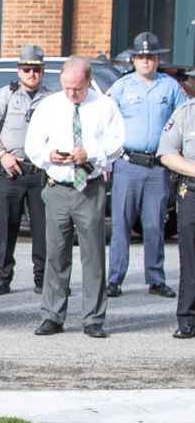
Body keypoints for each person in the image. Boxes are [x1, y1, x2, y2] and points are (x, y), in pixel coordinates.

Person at [25, 56, 125, 338]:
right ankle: (52, 315)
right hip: (58, 186)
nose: (72, 94)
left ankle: (93, 318)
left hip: (89, 188)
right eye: (67, 88)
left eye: (78, 89)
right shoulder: (50, 105)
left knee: (93, 256)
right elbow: (32, 145)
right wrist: (49, 156)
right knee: (56, 254)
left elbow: (117, 143)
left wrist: (90, 154)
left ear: (89, 82)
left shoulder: (104, 106)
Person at [106, 31, 186, 299]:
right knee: (121, 224)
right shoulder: (121, 87)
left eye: (150, 57)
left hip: (158, 167)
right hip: (127, 164)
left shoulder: (170, 86)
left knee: (154, 226)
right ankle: (114, 279)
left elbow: (184, 118)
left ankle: (155, 278)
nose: (146, 61)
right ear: (133, 59)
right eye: (141, 57)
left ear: (158, 59)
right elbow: (106, 124)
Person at [0, 44, 52, 295]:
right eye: (27, 69)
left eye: (36, 70)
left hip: (40, 172)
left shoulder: (51, 99)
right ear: (19, 71)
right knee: (6, 228)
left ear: (42, 72)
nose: (32, 74)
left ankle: (44, 279)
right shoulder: (6, 95)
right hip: (11, 171)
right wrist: (3, 155)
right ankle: (1, 277)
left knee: (43, 229)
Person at [157, 89, 195, 339]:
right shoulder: (185, 113)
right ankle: (188, 318)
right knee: (190, 256)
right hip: (192, 190)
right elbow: (168, 155)